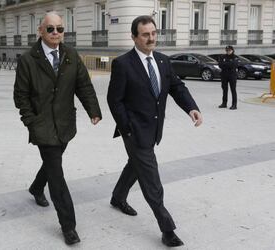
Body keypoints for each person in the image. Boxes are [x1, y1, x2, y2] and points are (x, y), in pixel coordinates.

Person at [107, 15, 203, 247]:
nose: (151, 38)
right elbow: (114, 100)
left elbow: (177, 87)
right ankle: (167, 228)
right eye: (145, 34)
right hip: (135, 131)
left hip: (154, 129)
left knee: (136, 165)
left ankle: (118, 197)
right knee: (151, 180)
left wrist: (191, 108)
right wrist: (127, 127)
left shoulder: (162, 61)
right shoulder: (123, 64)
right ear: (134, 37)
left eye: (153, 33)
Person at [13, 12, 102, 245]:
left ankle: (35, 187)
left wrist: (93, 110)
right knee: (57, 175)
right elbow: (20, 96)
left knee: (53, 163)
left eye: (60, 29)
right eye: (50, 29)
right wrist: (30, 121)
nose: (56, 33)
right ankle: (68, 226)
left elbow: (83, 85)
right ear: (40, 31)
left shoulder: (71, 55)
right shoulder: (28, 60)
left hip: (64, 125)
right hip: (42, 126)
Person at [218, 45, 238, 110]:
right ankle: (224, 103)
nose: (228, 51)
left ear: (232, 50)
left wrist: (225, 64)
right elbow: (220, 65)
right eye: (227, 50)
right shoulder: (222, 56)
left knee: (233, 90)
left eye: (229, 50)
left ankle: (234, 104)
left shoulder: (235, 57)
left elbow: (234, 65)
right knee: (224, 90)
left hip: (232, 76)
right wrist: (228, 64)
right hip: (224, 76)